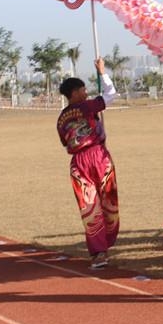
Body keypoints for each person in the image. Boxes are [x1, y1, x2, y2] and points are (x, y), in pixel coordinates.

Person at [57, 58, 119, 269]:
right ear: (73, 93)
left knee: (89, 207)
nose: (85, 92)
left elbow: (66, 142)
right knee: (108, 201)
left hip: (78, 163)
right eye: (82, 89)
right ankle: (104, 246)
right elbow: (111, 95)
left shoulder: (61, 118)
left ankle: (99, 252)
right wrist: (102, 72)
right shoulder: (86, 106)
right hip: (98, 156)